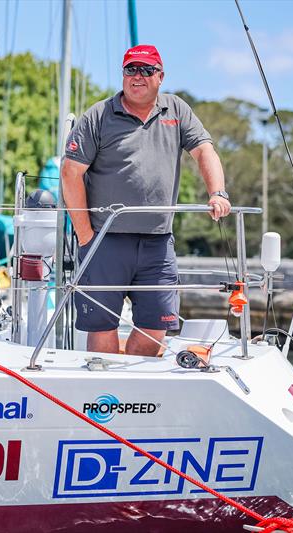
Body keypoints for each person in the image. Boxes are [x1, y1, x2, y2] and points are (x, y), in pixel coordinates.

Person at [61, 44, 231, 356]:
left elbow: (204, 149)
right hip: (104, 240)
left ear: (160, 76)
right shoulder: (98, 115)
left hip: (157, 242)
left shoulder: (176, 109)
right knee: (102, 326)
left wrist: (217, 192)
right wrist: (85, 235)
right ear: (123, 74)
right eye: (131, 69)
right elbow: (71, 172)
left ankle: (130, 392)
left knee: (156, 329)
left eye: (146, 70)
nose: (137, 76)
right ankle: (105, 395)